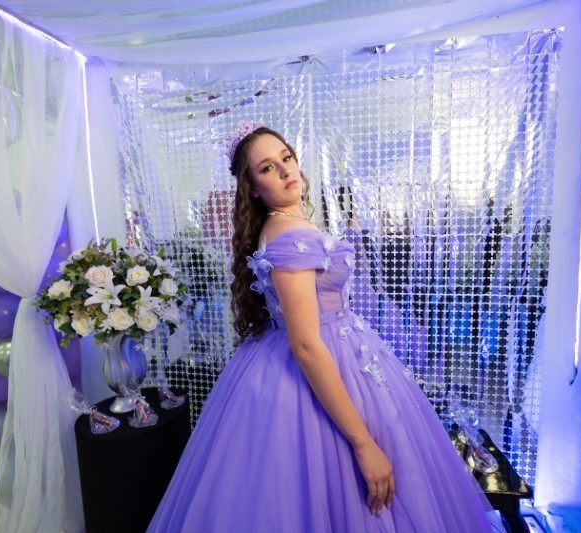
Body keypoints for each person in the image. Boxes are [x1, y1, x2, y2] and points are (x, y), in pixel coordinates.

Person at [148, 124, 497, 532]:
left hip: (335, 351)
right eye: (267, 167)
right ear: (252, 188)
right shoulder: (287, 234)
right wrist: (363, 444)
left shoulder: (285, 223)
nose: (285, 170)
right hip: (319, 358)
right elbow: (306, 344)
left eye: (286, 157)